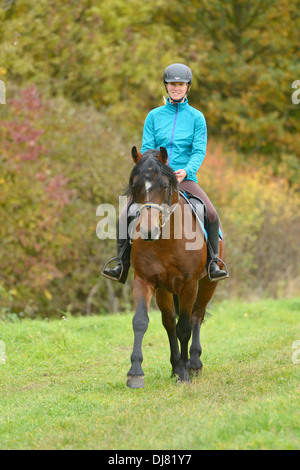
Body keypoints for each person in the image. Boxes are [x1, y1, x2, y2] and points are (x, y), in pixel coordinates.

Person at [102, 63, 228, 283]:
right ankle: (122, 264)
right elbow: (147, 149)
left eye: (180, 84)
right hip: (156, 179)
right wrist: (157, 172)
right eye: (172, 84)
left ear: (187, 87)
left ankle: (213, 263)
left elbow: (199, 150)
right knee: (124, 214)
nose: (176, 88)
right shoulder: (153, 116)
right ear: (166, 86)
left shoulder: (197, 118)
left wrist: (186, 170)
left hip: (185, 179)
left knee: (210, 213)